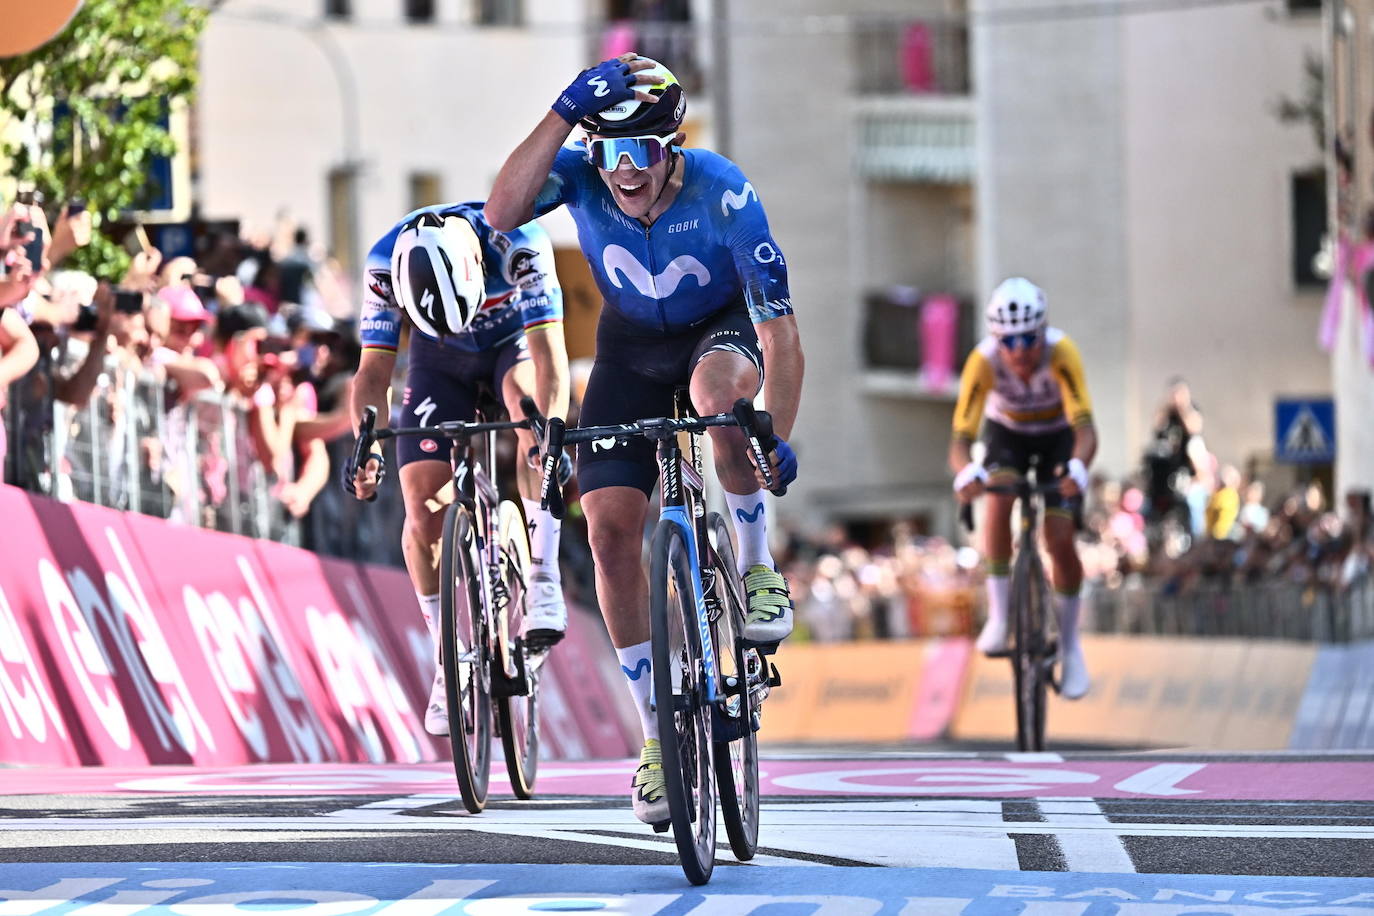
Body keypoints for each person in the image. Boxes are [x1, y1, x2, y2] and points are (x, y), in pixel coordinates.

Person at [485, 53, 804, 825]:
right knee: (607, 530)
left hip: (716, 334)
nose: (625, 171)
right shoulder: (586, 175)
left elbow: (782, 337)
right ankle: (657, 737)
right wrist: (565, 111)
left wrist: (776, 443)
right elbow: (501, 212)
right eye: (609, 152)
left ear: (675, 146)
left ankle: (757, 568)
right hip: (629, 347)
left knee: (716, 399)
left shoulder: (725, 193)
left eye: (643, 151)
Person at [345, 202, 571, 738]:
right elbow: (372, 372)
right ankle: (449, 660)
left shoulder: (521, 242)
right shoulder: (383, 264)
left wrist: (550, 435)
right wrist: (367, 448)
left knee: (529, 413)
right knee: (422, 510)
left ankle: (543, 575)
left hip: (510, 344)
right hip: (437, 357)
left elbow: (551, 363)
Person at [949, 277, 1096, 700]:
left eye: (1029, 339)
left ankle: (1070, 646)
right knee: (998, 501)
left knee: (1059, 536)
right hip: (1007, 436)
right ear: (998, 339)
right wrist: (965, 473)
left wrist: (1078, 469)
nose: (1019, 352)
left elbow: (1087, 430)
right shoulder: (983, 360)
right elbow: (960, 438)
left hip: (1058, 437)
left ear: (1042, 331)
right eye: (1009, 342)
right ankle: (999, 615)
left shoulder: (1061, 353)